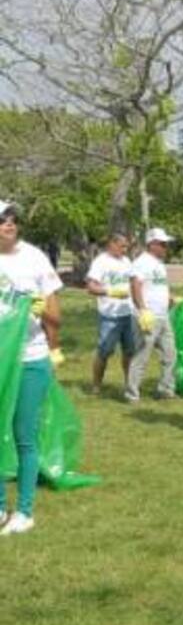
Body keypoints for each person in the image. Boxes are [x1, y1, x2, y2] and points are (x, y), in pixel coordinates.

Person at [0, 200, 63, 536]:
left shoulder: (34, 258)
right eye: (2, 219)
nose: (9, 223)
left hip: (30, 359)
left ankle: (24, 511)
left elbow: (57, 318)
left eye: (12, 217)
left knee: (24, 435)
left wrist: (40, 311)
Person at [126, 227, 177, 403]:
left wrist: (170, 298)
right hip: (148, 317)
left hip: (163, 316)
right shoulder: (142, 262)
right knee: (142, 355)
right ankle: (132, 394)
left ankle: (166, 389)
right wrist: (142, 310)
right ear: (152, 244)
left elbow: (160, 285)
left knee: (170, 354)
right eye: (162, 244)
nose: (166, 247)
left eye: (166, 244)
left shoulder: (159, 264)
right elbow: (135, 285)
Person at [85, 232, 135, 395]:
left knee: (129, 351)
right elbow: (91, 287)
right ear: (111, 245)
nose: (125, 249)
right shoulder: (101, 262)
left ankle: (130, 384)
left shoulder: (126, 261)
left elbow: (133, 283)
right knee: (104, 351)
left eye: (126, 246)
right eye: (122, 246)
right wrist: (110, 292)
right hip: (109, 315)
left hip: (128, 313)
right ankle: (96, 385)